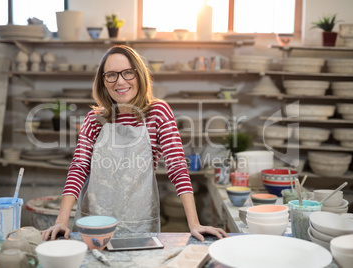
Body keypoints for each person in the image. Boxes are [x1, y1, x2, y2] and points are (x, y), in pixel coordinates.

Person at [41, 45, 228, 242]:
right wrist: (61, 221)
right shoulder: (93, 120)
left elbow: (177, 167)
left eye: (127, 73)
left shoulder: (157, 113)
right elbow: (78, 169)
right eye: (111, 75)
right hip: (94, 225)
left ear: (139, 75)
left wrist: (194, 224)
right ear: (103, 82)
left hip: (139, 224)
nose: (120, 81)